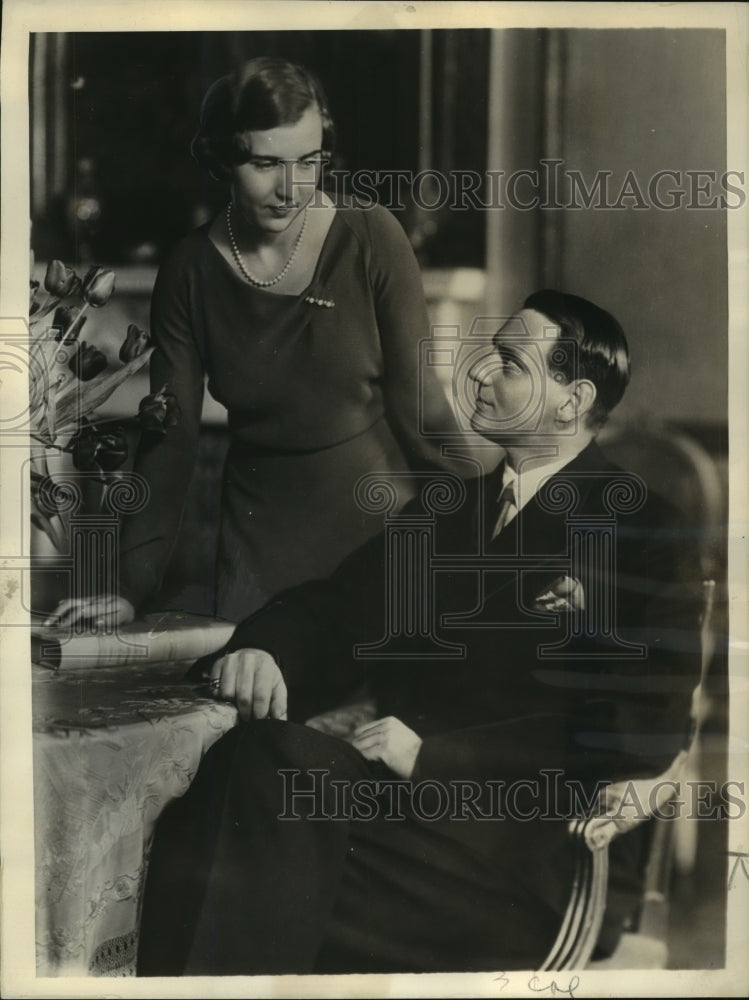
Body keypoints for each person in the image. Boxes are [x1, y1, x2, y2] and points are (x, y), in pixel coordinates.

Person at [136, 290, 703, 975]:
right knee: (257, 765)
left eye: (508, 363)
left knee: (233, 850)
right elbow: (336, 609)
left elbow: (636, 730)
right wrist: (265, 648)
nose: (482, 376)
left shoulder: (644, 530)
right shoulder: (445, 515)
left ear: (571, 397)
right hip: (399, 824)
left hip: (522, 857)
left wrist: (435, 758)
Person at [49, 56, 460, 627]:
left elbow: (426, 414)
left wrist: (495, 540)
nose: (290, 189)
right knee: (246, 706)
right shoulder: (189, 270)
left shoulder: (371, 237)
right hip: (257, 553)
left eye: (308, 162)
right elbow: (170, 440)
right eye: (266, 163)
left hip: (381, 537)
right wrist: (128, 587)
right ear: (222, 157)